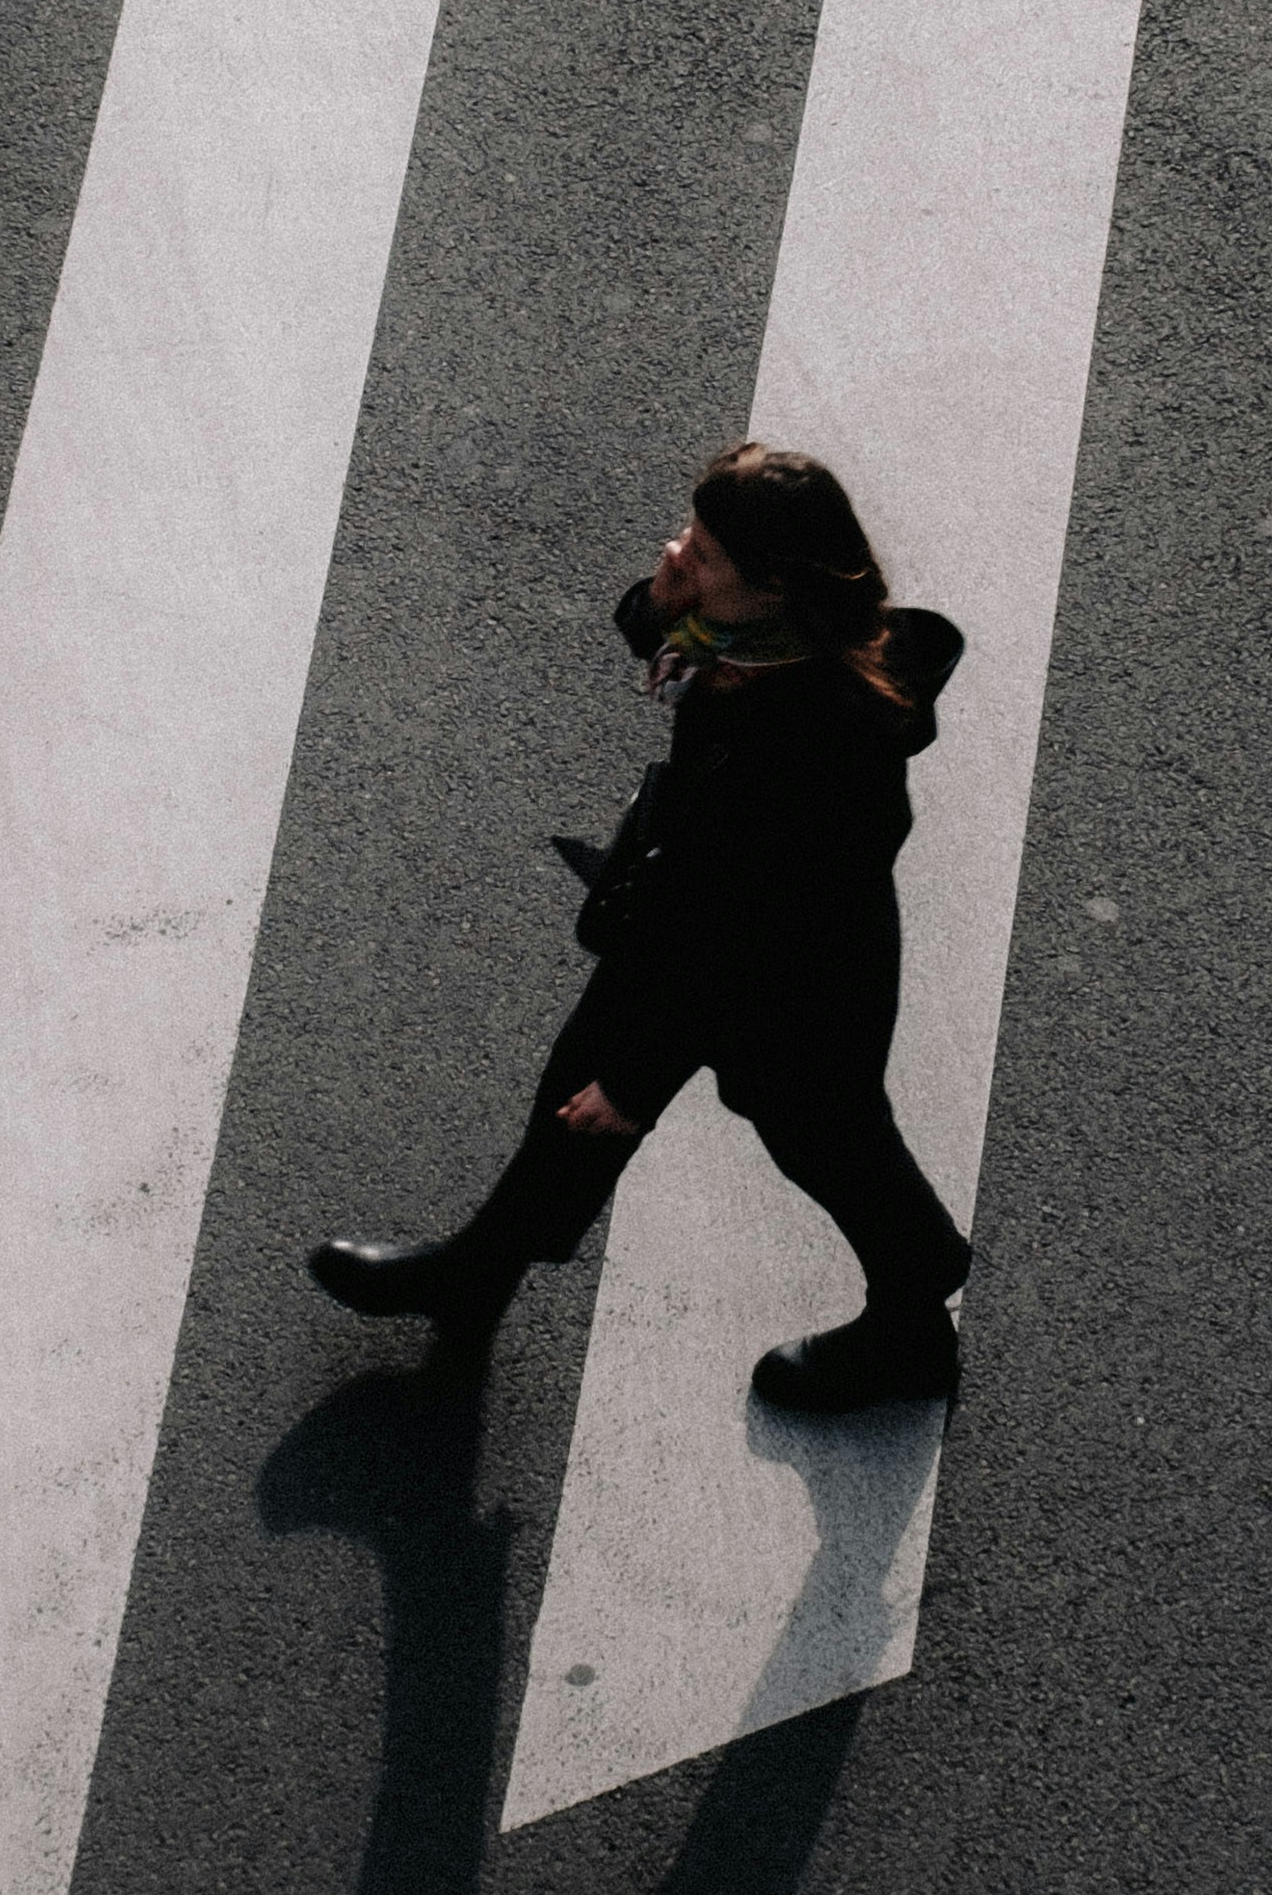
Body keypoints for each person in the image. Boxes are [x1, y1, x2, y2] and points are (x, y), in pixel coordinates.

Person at [307, 445, 977, 1417]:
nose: (675, 555)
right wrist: (670, 592)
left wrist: (635, 1078)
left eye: (700, 553)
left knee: (822, 1139)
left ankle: (913, 1315)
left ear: (773, 585)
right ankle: (479, 1272)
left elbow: (750, 934)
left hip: (790, 983)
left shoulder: (822, 740)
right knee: (572, 1089)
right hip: (685, 917)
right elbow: (652, 628)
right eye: (686, 536)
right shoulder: (748, 639)